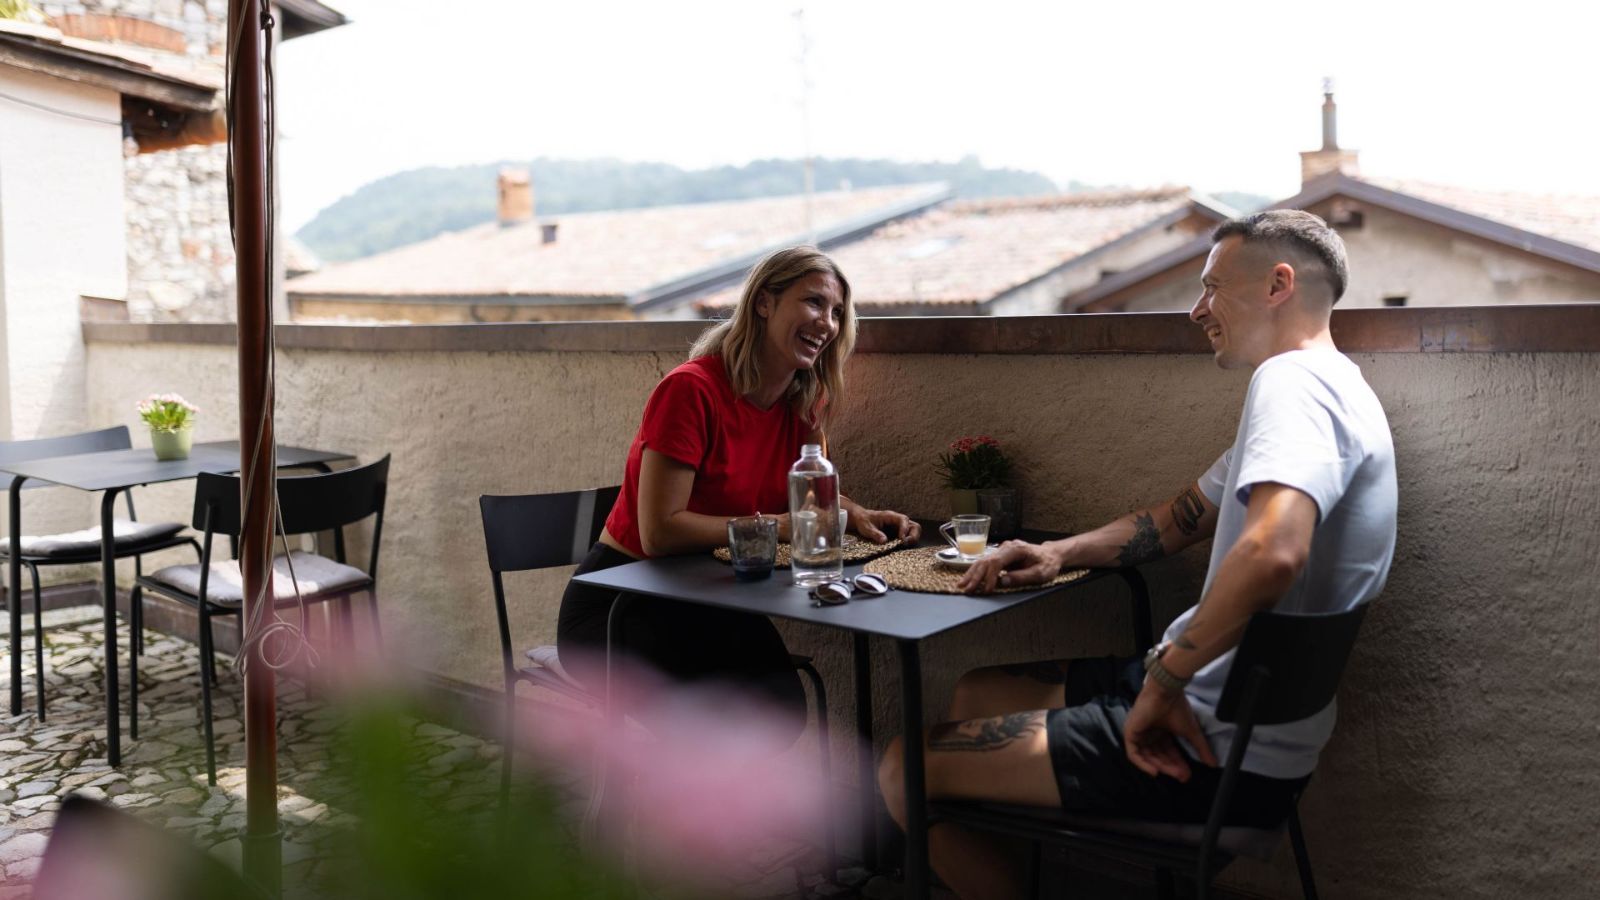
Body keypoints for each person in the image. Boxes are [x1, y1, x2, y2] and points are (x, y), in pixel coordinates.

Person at [876, 210, 1398, 900]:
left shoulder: (1293, 385)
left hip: (1210, 745)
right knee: (978, 690)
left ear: (1279, 284)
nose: (1197, 309)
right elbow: (1179, 520)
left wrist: (1165, 682)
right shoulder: (1337, 388)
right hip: (1239, 719)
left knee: (900, 767)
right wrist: (1056, 552)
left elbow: (1275, 551)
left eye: (1213, 287)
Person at [557, 245, 921, 738]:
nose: (828, 323)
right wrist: (782, 525)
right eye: (814, 302)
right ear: (764, 303)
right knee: (726, 726)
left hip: (708, 598)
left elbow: (808, 497)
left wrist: (856, 513)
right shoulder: (690, 391)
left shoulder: (804, 403)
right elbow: (659, 531)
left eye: (837, 312)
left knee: (780, 709)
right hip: (621, 604)